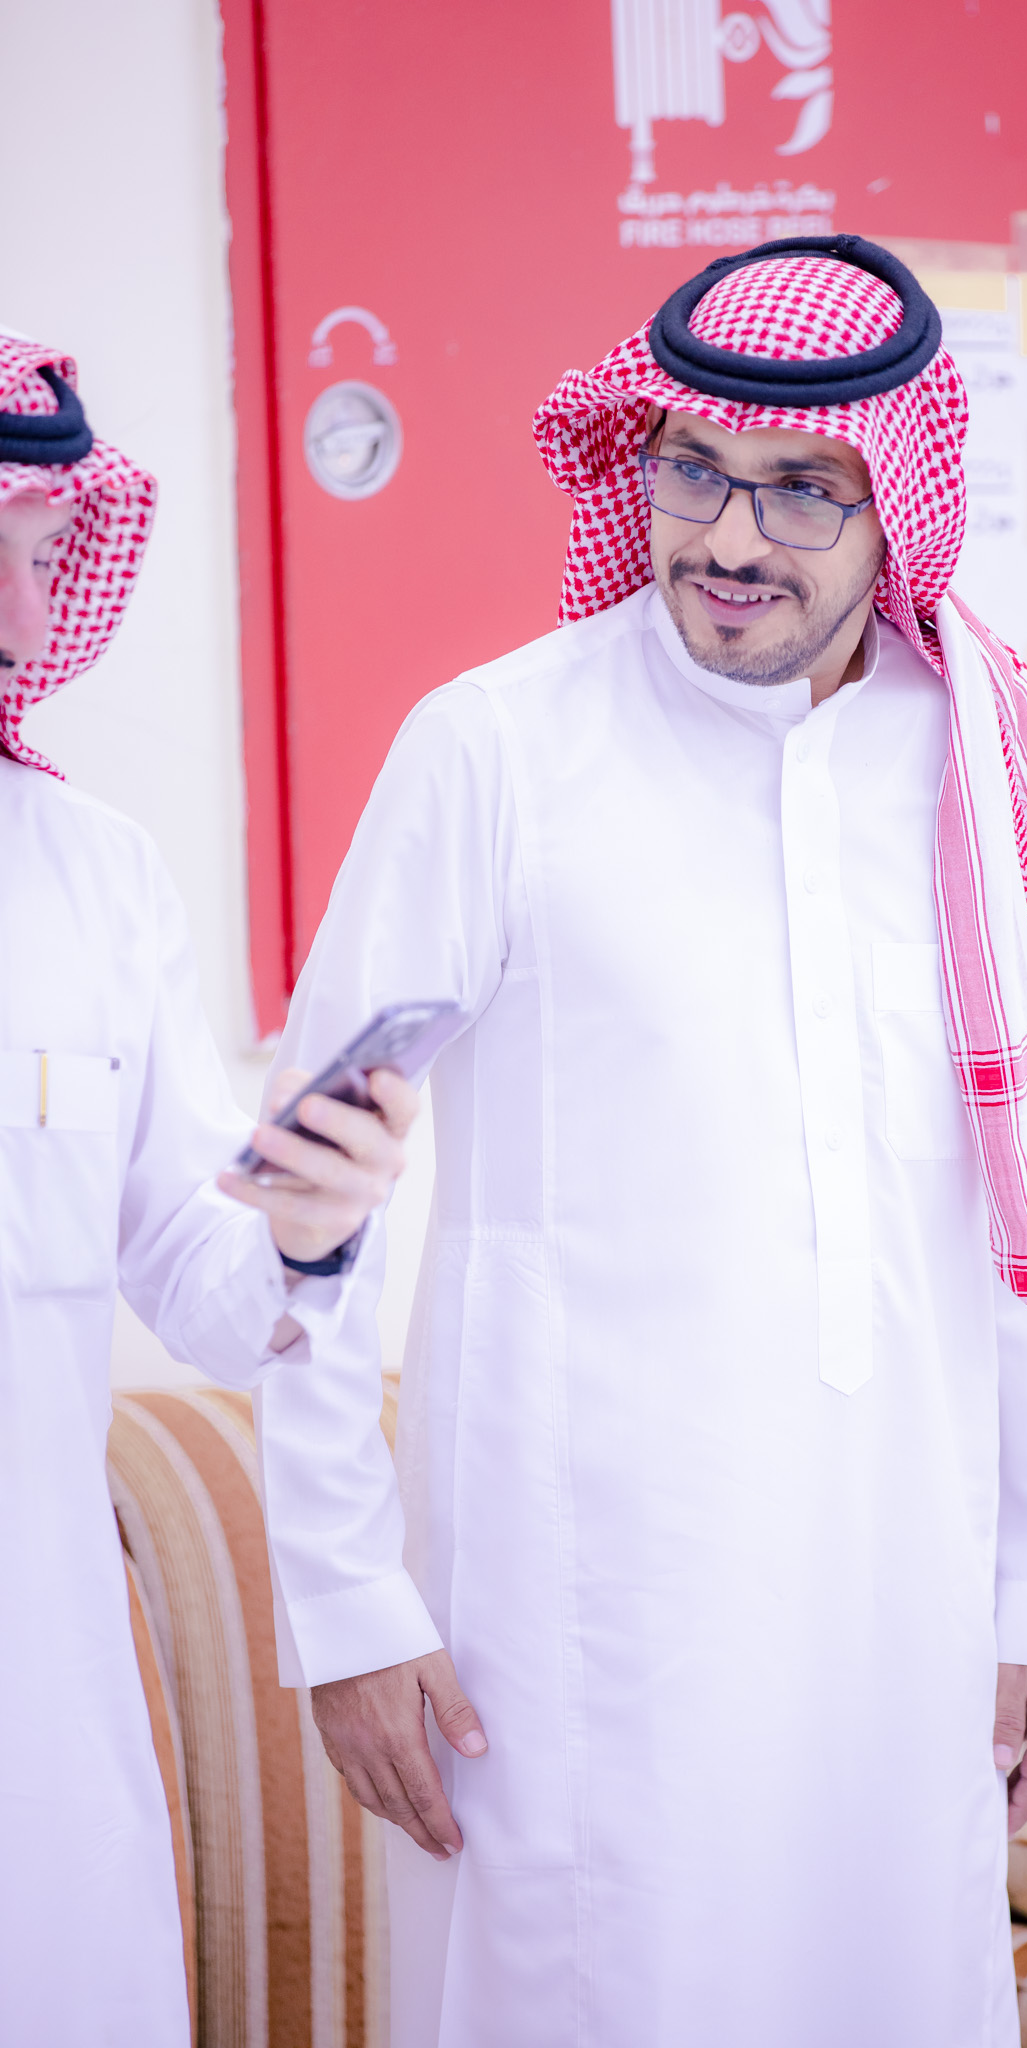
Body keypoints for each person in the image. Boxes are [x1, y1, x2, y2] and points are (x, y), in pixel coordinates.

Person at [253, 239, 1027, 2047]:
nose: (729, 538)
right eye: (692, 471)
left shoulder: (986, 764)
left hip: (899, 1616)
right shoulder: (495, 749)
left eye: (802, 489)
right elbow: (307, 1195)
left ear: (898, 504)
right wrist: (343, 1598)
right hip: (583, 1633)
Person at [0, 328, 418, 2048]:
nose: (20, 614)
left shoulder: (90, 881)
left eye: (39, 557)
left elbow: (197, 1269)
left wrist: (305, 1232)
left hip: (36, 1737)